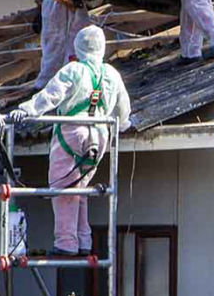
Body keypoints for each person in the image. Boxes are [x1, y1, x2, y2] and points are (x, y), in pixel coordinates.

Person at [8, 25, 132, 255]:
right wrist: (123, 125)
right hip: (101, 134)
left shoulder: (73, 70)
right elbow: (123, 110)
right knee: (80, 188)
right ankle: (84, 242)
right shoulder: (112, 74)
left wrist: (26, 110)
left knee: (64, 189)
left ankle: (66, 243)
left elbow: (50, 96)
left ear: (78, 46)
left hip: (73, 132)